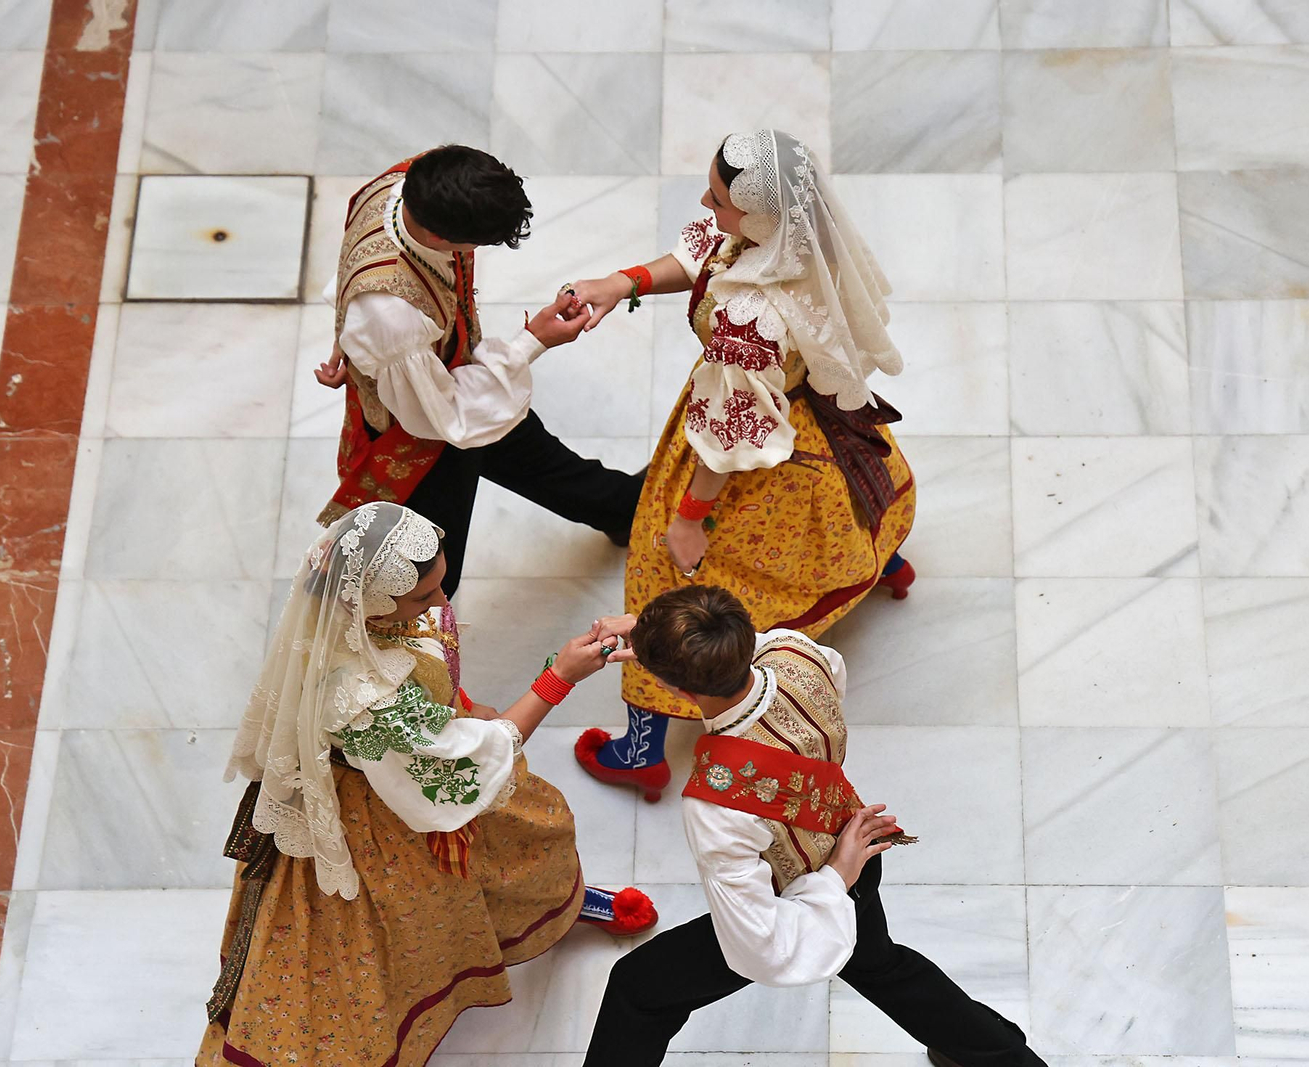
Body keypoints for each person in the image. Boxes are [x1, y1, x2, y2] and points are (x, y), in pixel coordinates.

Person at [198, 502, 656, 1067]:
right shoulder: (357, 693)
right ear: (370, 602)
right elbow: (452, 769)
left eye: (442, 585)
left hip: (419, 767)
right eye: (423, 598)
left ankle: (557, 908)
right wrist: (557, 678)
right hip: (379, 809)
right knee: (374, 945)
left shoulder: (376, 619)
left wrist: (463, 708)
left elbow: (431, 699)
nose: (440, 605)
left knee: (530, 840)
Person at [567, 129, 917, 799]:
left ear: (760, 216)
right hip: (815, 420)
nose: (705, 203)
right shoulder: (801, 236)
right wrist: (624, 282)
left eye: (719, 198)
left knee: (663, 580)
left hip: (750, 446)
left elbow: (730, 435)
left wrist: (690, 517)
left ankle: (641, 748)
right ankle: (880, 564)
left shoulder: (749, 322)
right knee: (854, 504)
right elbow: (705, 255)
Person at [581, 587, 1045, 1067]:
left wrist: (831, 881)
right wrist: (656, 633)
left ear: (678, 691)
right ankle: (1001, 1056)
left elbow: (761, 944)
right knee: (882, 966)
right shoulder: (798, 653)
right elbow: (782, 659)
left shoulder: (718, 802)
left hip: (817, 888)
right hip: (856, 847)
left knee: (637, 991)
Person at [314, 144, 642, 597]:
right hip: (421, 433)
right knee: (428, 567)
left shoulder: (406, 178)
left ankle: (625, 510)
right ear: (439, 239)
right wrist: (535, 341)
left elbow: (353, 268)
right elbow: (449, 416)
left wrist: (349, 346)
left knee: (533, 457)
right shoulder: (391, 314)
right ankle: (417, 643)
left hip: (445, 370)